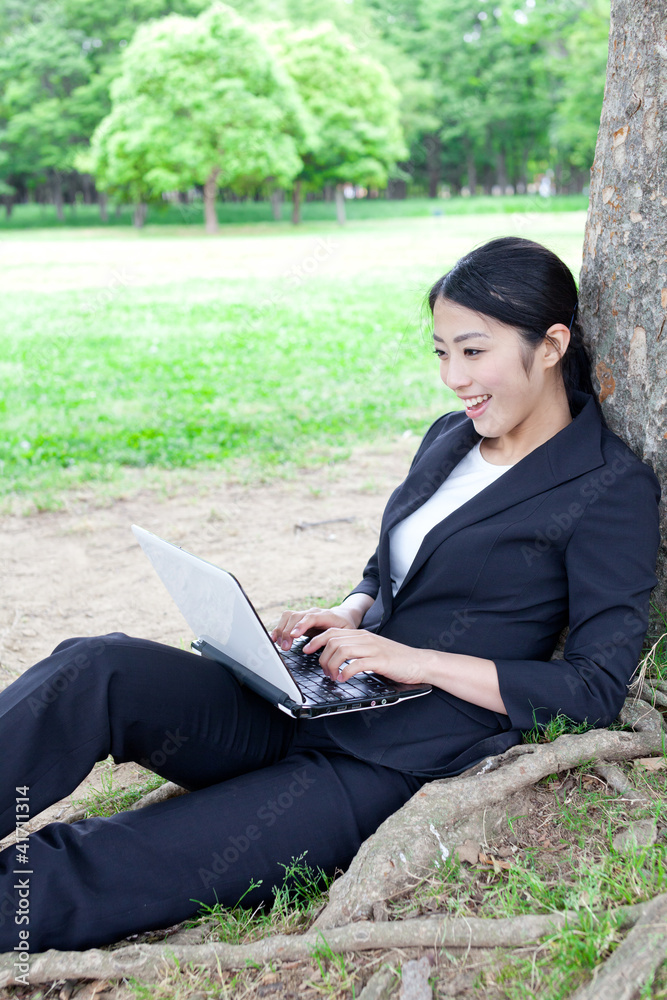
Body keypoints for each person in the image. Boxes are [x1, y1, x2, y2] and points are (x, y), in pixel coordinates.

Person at [0, 237, 660, 955]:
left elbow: (593, 686)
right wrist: (349, 610)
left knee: (99, 864)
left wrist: (417, 660)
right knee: (98, 669)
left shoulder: (607, 488)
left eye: (472, 352)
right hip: (318, 695)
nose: (452, 378)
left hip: (390, 760)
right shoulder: (451, 438)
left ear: (551, 344)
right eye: (440, 352)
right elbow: (391, 564)